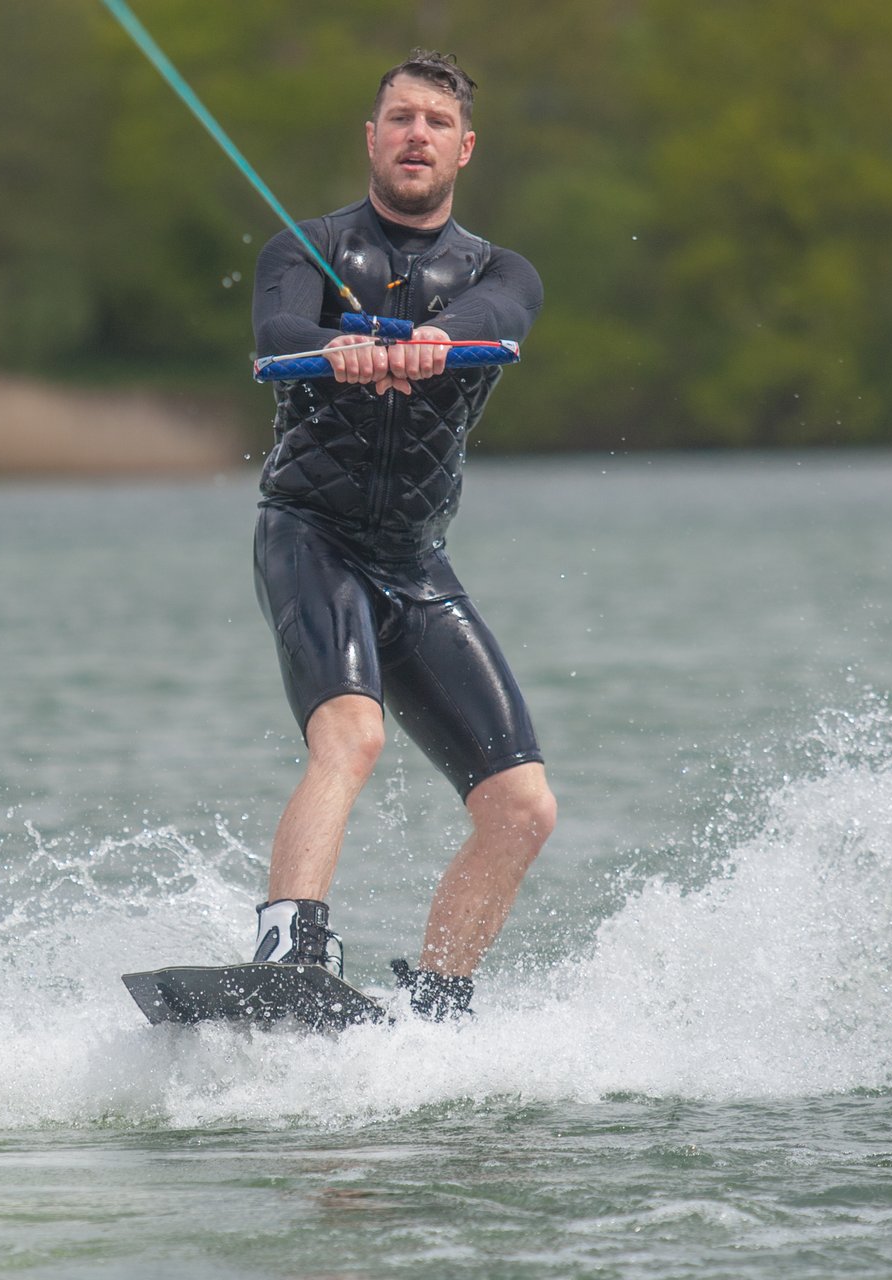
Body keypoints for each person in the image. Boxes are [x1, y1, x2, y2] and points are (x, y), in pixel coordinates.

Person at [248, 50, 553, 1020]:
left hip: (415, 563)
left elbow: (498, 316)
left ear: (464, 148)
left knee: (522, 808)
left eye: (435, 121)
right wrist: (333, 350)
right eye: (399, 118)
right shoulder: (304, 247)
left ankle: (439, 1000)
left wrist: (436, 338)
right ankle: (285, 952)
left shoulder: (501, 270)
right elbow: (276, 338)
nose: (416, 133)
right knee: (354, 732)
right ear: (371, 139)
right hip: (311, 534)